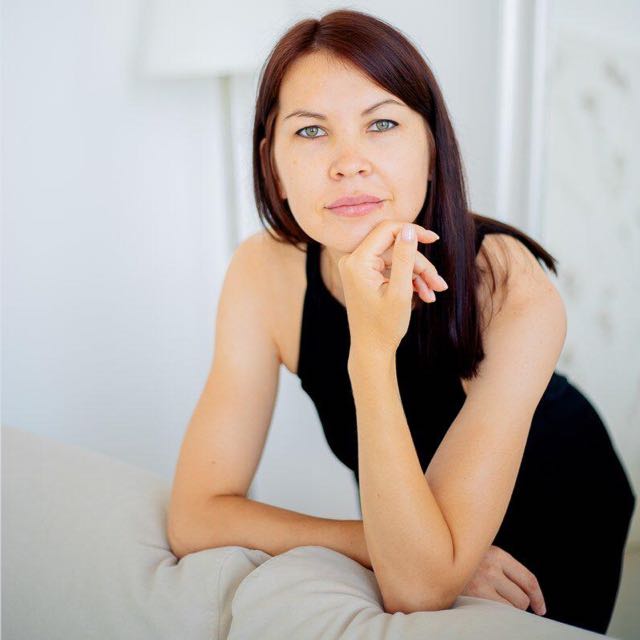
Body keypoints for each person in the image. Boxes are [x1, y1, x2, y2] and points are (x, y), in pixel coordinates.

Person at [168, 9, 636, 635]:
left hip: (560, 505)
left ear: (432, 149)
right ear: (273, 166)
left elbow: (417, 586)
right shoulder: (262, 275)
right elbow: (195, 517)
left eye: (382, 124)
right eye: (311, 131)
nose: (349, 162)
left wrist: (369, 350)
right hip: (403, 528)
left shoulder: (508, 287)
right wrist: (377, 543)